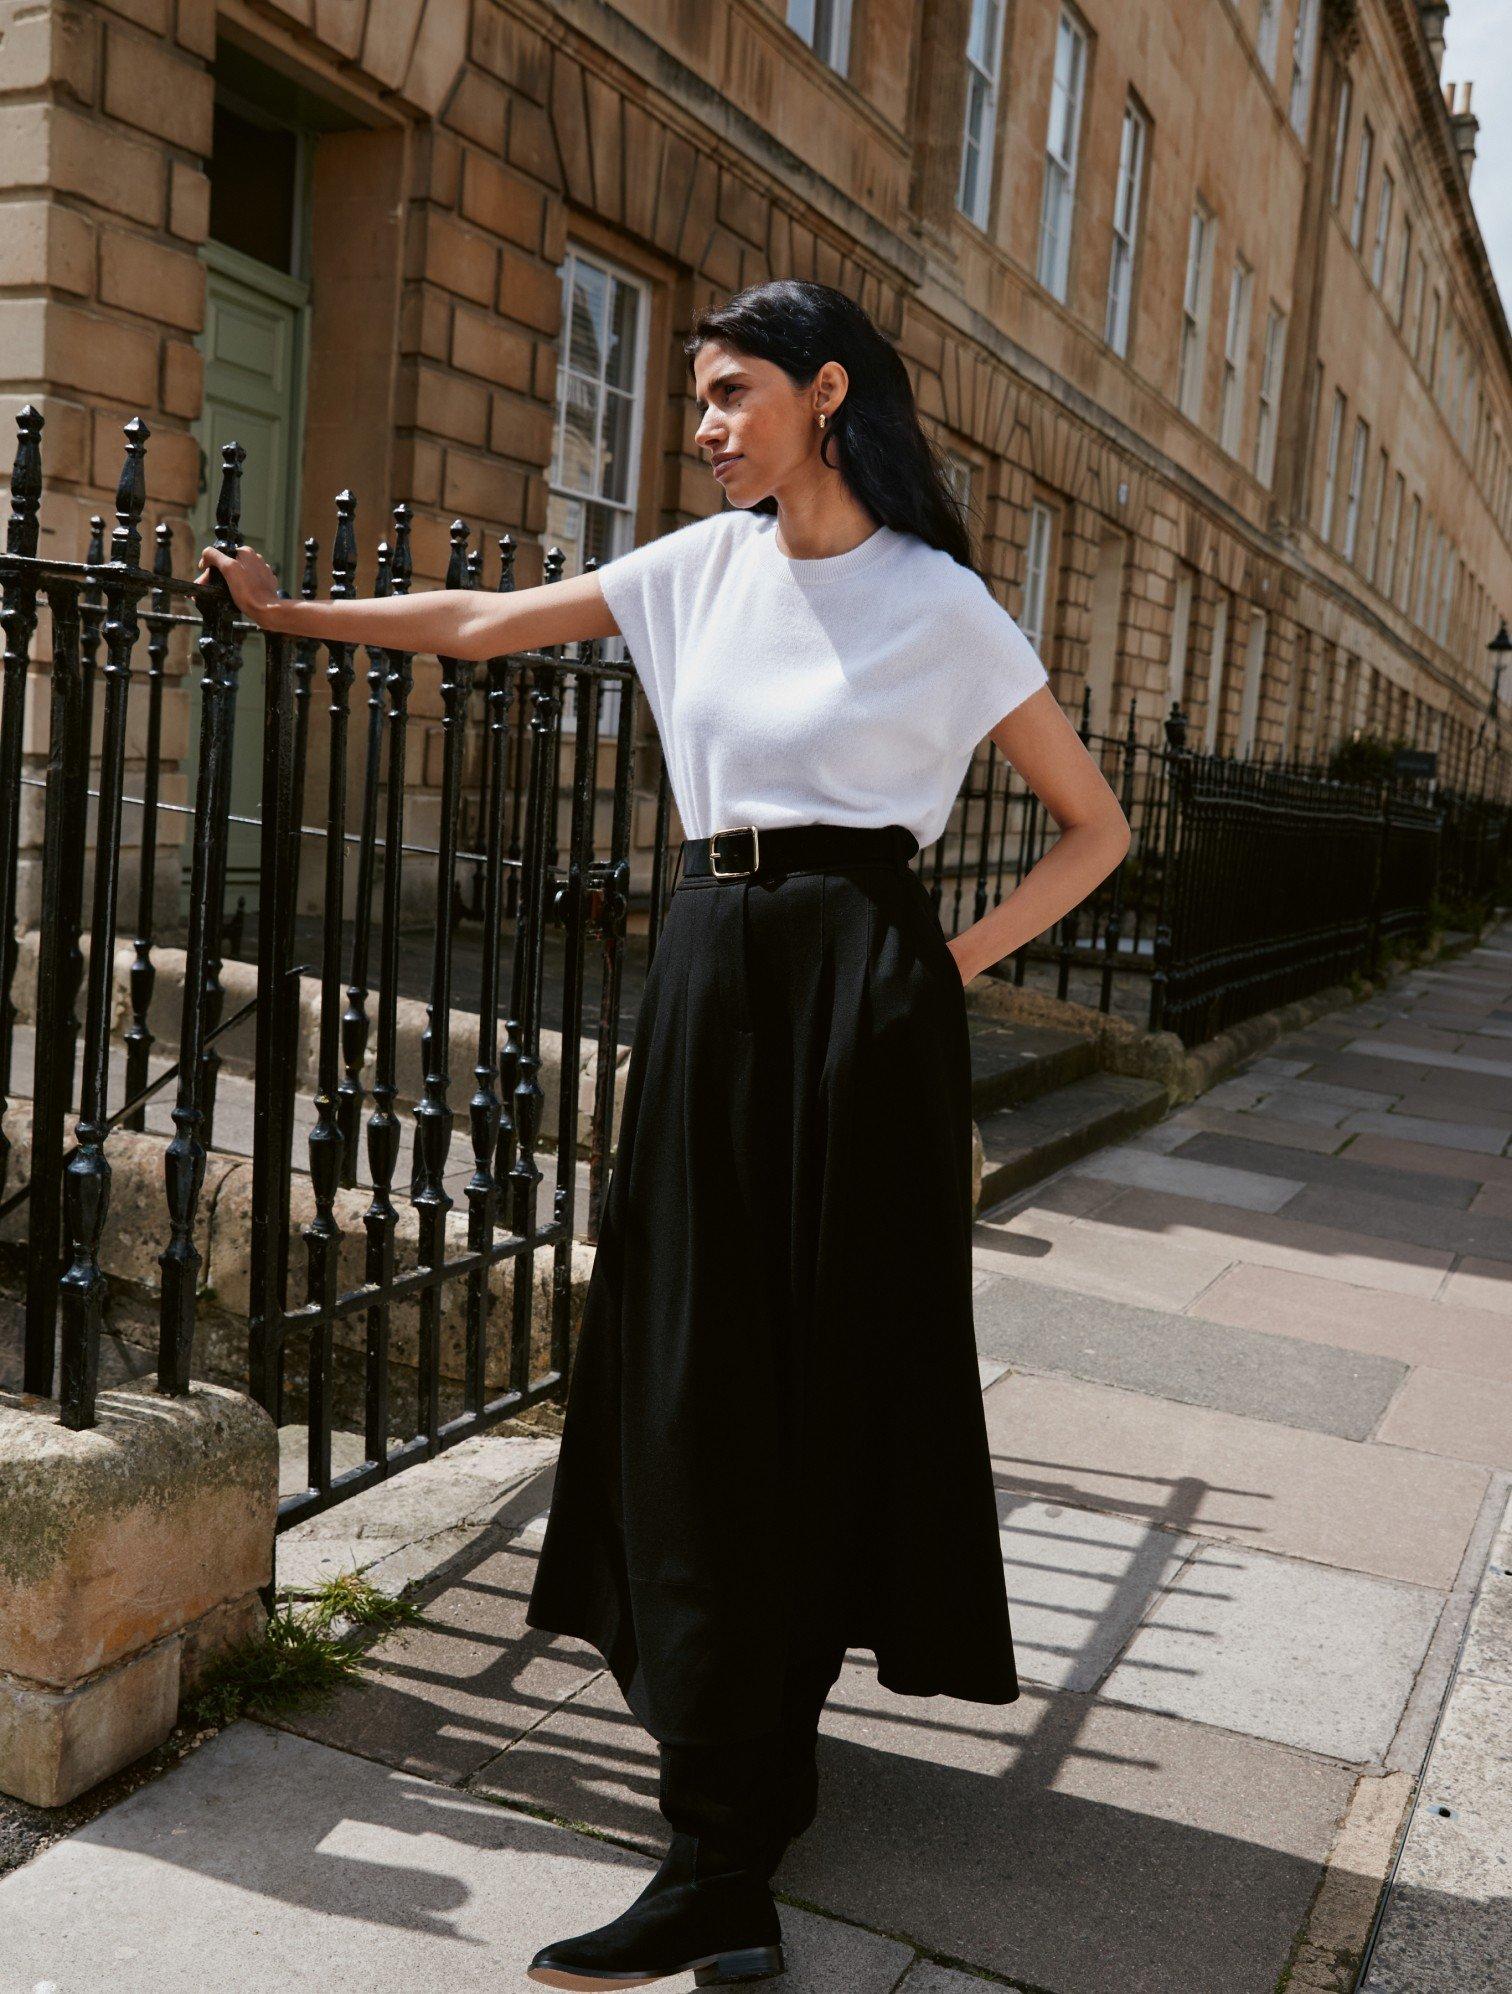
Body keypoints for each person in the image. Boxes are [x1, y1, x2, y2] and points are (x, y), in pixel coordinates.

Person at [197, 278, 1130, 1991]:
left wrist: (931, 963)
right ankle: (732, 1788)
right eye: (695, 398)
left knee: (822, 1380)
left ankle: (724, 1852)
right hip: (710, 978)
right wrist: (288, 618)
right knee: (693, 1378)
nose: (701, 425)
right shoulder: (695, 573)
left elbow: (1093, 827)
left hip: (862, 1003)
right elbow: (481, 625)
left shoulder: (942, 604)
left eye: (728, 393)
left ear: (825, 392)